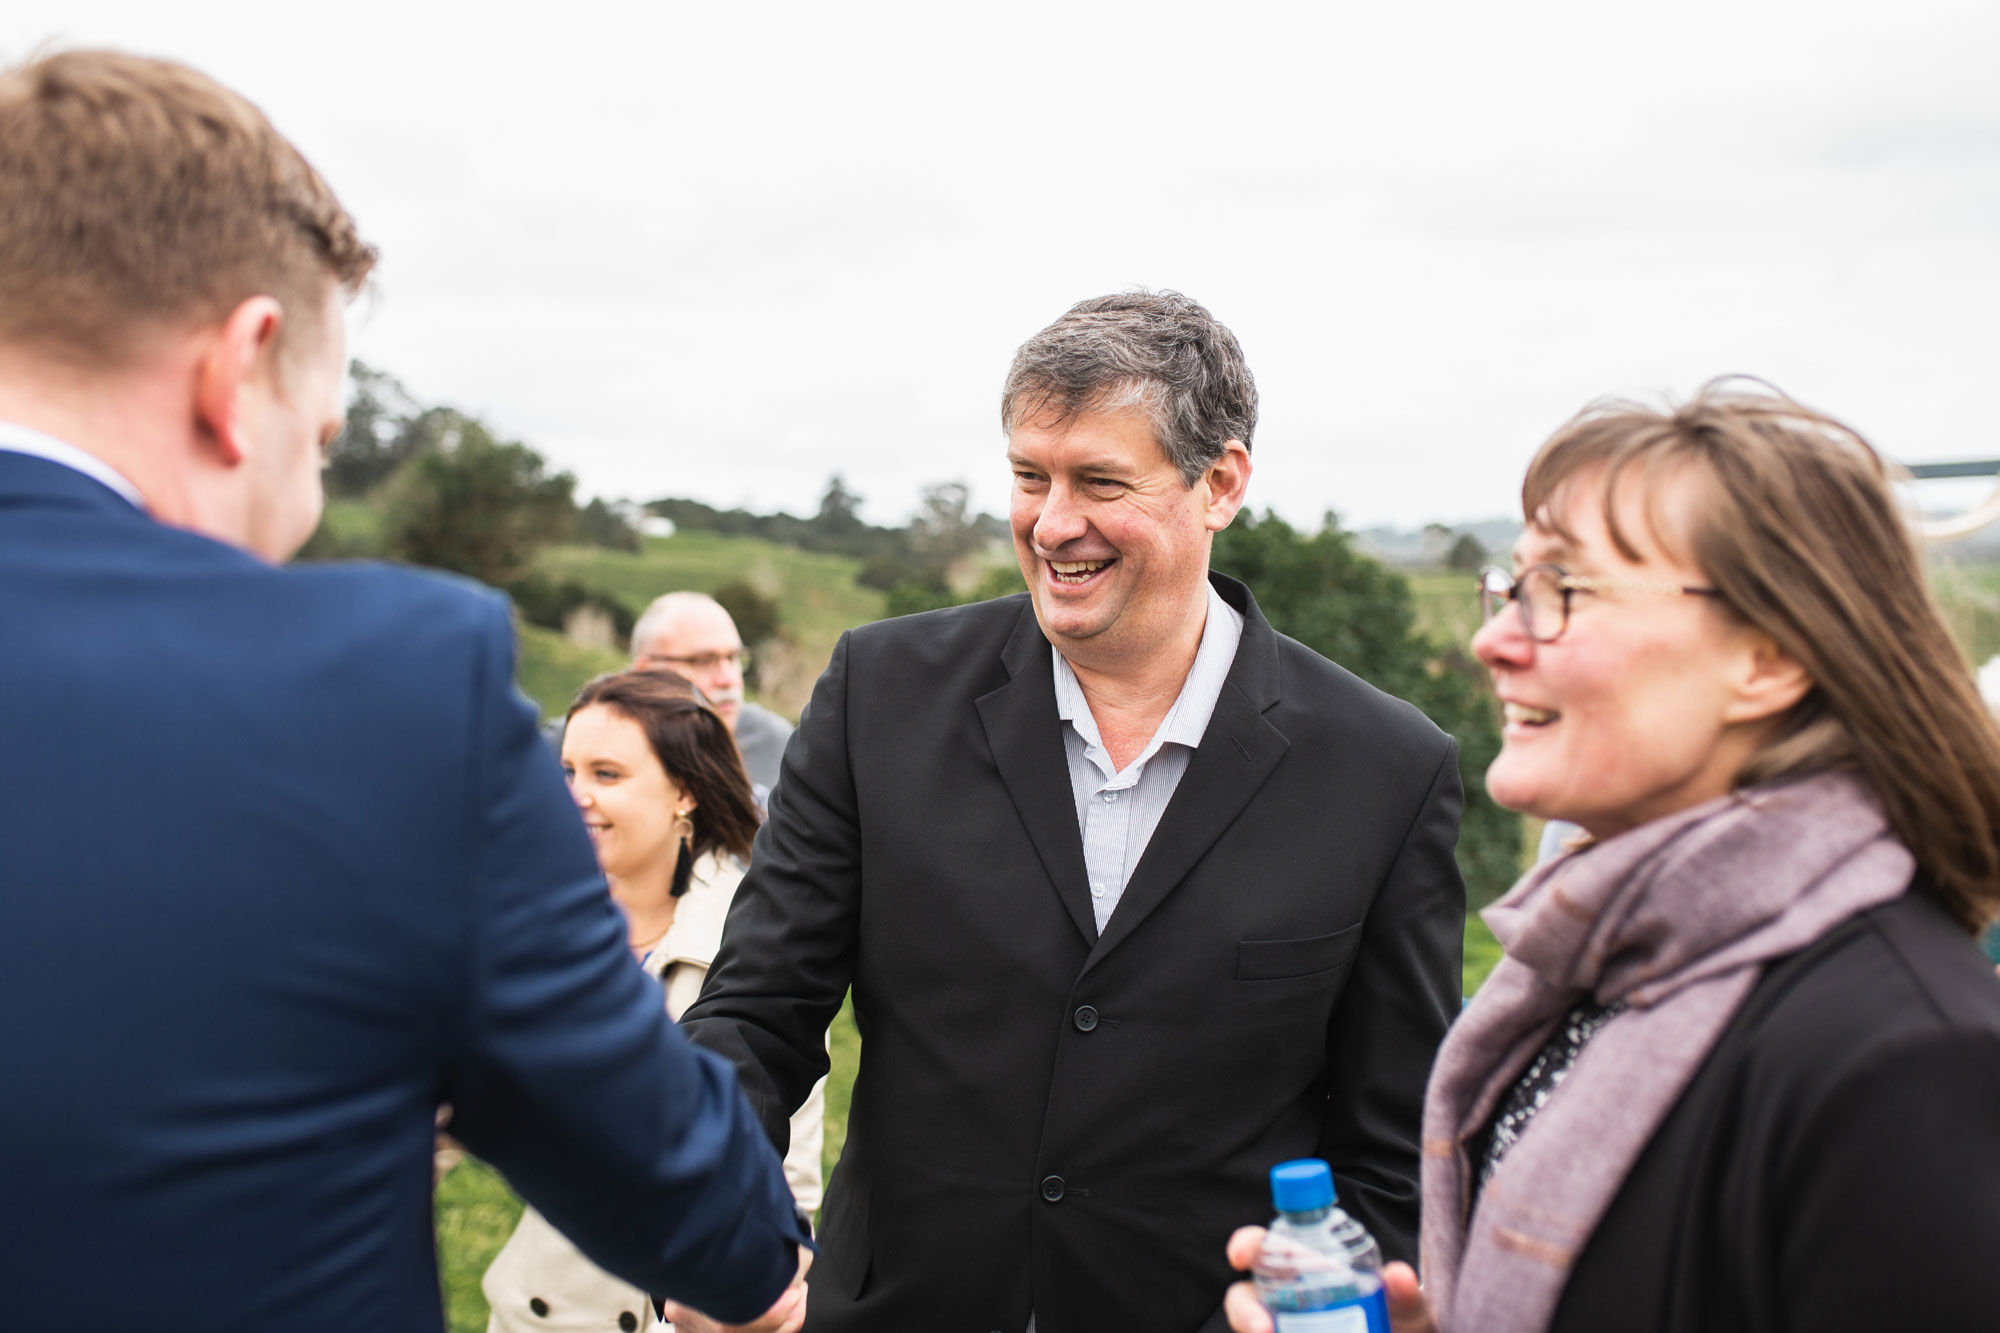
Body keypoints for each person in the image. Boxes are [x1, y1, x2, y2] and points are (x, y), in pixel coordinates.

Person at [0, 50, 808, 1331]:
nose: (309, 501)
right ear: (235, 371)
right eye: (319, 441)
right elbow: (668, 1173)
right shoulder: (379, 695)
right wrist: (758, 1270)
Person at [680, 290, 1467, 1332]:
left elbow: (1396, 1149)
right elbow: (755, 1013)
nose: (1051, 525)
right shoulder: (880, 692)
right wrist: (700, 1216)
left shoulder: (1384, 768)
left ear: (1220, 482)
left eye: (1099, 481)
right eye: (1027, 477)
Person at [1223, 383, 2000, 1333]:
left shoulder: (1904, 1059)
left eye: (1566, 592)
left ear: (1769, 656)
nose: (1492, 638)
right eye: (1513, 587)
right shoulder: (1605, 972)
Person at [485, 669, 826, 1331]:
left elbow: (787, 1184)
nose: (574, 795)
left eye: (606, 774)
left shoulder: (758, 950)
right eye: (567, 771)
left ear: (685, 793)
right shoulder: (525, 931)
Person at [633, 592, 794, 792]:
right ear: (647, 672)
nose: (728, 680)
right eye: (703, 661)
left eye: (733, 658)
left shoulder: (773, 740)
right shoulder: (607, 745)